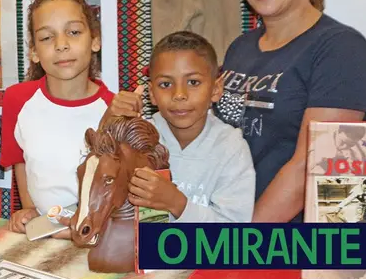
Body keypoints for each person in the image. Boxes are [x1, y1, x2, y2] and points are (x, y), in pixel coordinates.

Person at [220, 0, 366, 222]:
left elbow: (310, 166)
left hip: (290, 245)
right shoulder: (239, 48)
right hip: (227, 222)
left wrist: (239, 245)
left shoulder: (341, 50)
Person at [107, 31, 255, 222]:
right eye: (166, 84)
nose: (179, 94)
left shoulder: (232, 149)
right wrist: (111, 119)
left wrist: (177, 204)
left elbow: (233, 235)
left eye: (193, 82)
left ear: (216, 89)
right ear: (151, 93)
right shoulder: (137, 138)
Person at [0, 0, 114, 236]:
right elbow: (21, 160)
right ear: (33, 52)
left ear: (95, 40)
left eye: (73, 32)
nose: (61, 45)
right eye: (47, 38)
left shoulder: (115, 110)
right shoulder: (17, 100)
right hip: (41, 237)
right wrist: (29, 209)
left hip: (99, 238)